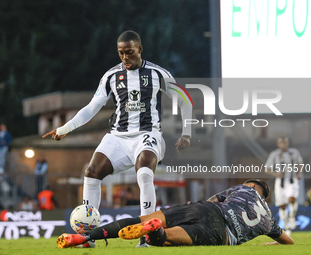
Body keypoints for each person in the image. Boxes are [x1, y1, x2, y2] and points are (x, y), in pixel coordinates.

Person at [42, 30, 192, 246]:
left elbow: (184, 100)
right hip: (118, 137)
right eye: (121, 53)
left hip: (148, 134)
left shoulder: (159, 74)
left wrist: (186, 133)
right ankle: (87, 236)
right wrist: (65, 128)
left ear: (139, 49)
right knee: (91, 173)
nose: (125, 58)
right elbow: (92, 107)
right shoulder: (111, 76)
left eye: (129, 52)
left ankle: (146, 235)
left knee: (144, 173)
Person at [56, 179, 294, 248]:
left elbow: (214, 200)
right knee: (167, 239)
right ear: (265, 197)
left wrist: (197, 208)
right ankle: (156, 233)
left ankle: (83, 238)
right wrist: (273, 244)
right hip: (221, 233)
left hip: (206, 209)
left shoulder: (243, 189)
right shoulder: (269, 220)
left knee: (141, 219)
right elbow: (288, 241)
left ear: (252, 187)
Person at [265, 137, 303, 235]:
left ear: (288, 143)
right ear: (278, 144)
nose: (283, 144)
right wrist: (276, 174)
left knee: (292, 198)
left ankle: (292, 217)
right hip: (280, 182)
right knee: (282, 205)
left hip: (292, 179)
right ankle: (287, 226)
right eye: (281, 143)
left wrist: (299, 173)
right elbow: (266, 168)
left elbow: (300, 163)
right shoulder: (274, 154)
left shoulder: (294, 152)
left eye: (285, 142)